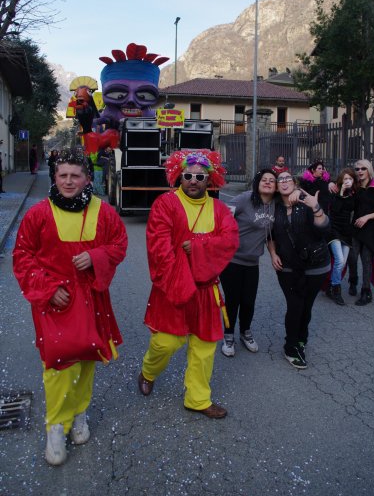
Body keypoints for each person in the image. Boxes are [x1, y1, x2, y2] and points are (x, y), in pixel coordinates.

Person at [13, 148, 128, 466]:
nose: (68, 181)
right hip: (54, 302)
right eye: (62, 175)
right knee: (59, 363)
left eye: (74, 175)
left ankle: (79, 413)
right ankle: (56, 425)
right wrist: (48, 289)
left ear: (87, 178)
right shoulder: (38, 214)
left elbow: (119, 244)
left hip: (91, 298)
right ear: (54, 177)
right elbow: (22, 256)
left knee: (88, 356)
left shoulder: (103, 212)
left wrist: (96, 257)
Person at [138, 150, 239, 419]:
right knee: (166, 343)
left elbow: (229, 241)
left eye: (200, 176)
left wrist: (197, 245)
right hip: (173, 287)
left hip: (206, 290)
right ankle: (148, 371)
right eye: (188, 176)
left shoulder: (219, 209)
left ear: (209, 180)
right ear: (179, 177)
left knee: (205, 348)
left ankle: (197, 399)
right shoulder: (165, 204)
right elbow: (158, 246)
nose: (193, 181)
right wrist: (179, 281)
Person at [268, 171, 331, 369]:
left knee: (307, 306)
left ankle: (301, 339)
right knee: (295, 305)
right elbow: (270, 235)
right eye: (280, 180)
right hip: (287, 266)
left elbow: (324, 228)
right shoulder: (274, 207)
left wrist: (316, 207)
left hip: (316, 265)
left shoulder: (307, 202)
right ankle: (290, 346)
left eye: (288, 179)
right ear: (277, 187)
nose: (284, 182)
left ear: (295, 183)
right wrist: (272, 253)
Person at [219, 169, 277, 357]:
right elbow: (222, 218)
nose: (268, 182)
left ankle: (245, 332)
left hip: (253, 263)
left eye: (272, 180)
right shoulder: (245, 199)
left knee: (249, 301)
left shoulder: (276, 205)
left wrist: (273, 254)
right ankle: (228, 336)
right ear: (258, 182)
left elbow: (270, 235)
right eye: (264, 179)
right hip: (232, 261)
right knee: (232, 301)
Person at [350, 159, 374, 306]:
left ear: (369, 170)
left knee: (367, 260)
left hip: (371, 231)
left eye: (363, 169)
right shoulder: (355, 187)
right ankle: (353, 279)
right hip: (355, 228)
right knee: (352, 257)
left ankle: (366, 291)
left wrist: (367, 217)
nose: (359, 171)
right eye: (357, 169)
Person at [326, 168, 357, 305]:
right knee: (339, 259)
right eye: (345, 179)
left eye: (350, 179)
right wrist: (341, 191)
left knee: (342, 263)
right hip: (334, 230)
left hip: (346, 231)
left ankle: (330, 285)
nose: (347, 181)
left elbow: (350, 208)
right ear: (341, 180)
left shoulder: (353, 195)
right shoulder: (334, 192)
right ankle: (336, 290)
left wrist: (348, 193)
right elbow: (335, 209)